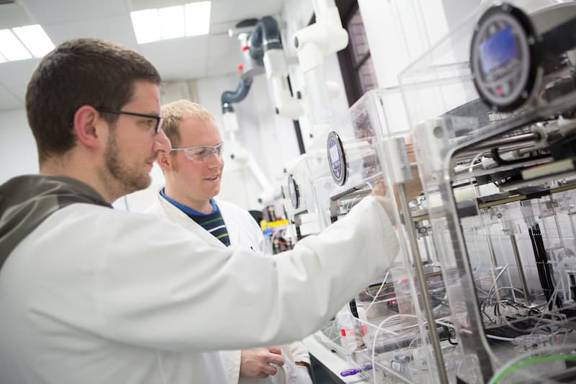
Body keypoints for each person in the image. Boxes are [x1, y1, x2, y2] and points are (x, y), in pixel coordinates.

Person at [0, 38, 399, 384]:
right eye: (148, 124)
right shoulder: (91, 244)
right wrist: (385, 203)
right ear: (90, 127)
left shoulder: (32, 238)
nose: (159, 145)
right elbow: (280, 294)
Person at [150, 100, 312, 384]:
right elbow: (155, 343)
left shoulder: (241, 219)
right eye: (201, 153)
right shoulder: (148, 240)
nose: (216, 162)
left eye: (218, 149)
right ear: (165, 159)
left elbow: (274, 296)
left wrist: (299, 359)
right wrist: (234, 361)